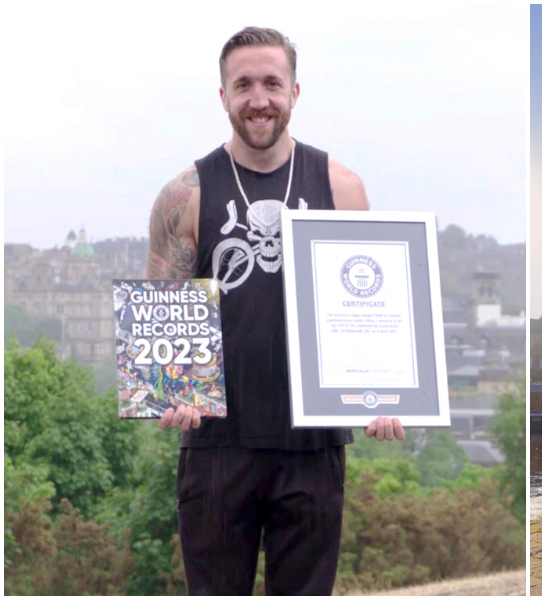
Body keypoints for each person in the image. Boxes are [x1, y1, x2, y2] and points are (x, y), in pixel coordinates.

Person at [146, 26, 404, 595]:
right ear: (222, 97)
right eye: (243, 85)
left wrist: (385, 393)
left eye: (271, 83)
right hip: (216, 448)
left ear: (294, 91)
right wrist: (169, 391)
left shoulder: (342, 187)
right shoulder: (183, 196)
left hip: (313, 447)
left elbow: (370, 303)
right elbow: (162, 323)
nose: (258, 98)